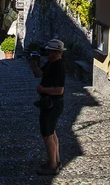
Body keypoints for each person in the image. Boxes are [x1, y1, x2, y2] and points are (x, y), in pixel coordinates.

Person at [30, 38, 66, 176]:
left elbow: (59, 90)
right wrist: (33, 64)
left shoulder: (59, 67)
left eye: (53, 52)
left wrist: (42, 90)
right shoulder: (51, 63)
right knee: (52, 133)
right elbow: (38, 74)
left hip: (53, 103)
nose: (50, 54)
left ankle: (52, 166)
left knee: (47, 134)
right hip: (49, 103)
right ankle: (56, 161)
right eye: (49, 51)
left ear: (59, 52)